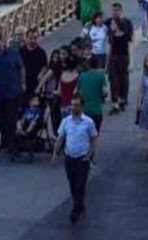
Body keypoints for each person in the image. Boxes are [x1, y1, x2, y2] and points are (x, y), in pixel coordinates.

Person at [53, 95, 99, 224]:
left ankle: (75, 210)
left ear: (82, 106)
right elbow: (61, 137)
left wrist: (90, 154)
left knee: (80, 184)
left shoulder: (88, 122)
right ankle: (79, 204)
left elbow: (94, 138)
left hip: (82, 158)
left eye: (76, 105)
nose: (73, 108)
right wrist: (55, 152)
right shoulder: (66, 121)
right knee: (72, 184)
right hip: (69, 157)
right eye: (72, 105)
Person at [105, 4, 134, 113]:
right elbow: (96, 23)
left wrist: (131, 62)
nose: (114, 13)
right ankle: (115, 102)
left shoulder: (127, 23)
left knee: (124, 80)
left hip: (124, 56)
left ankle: (122, 99)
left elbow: (131, 43)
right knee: (113, 80)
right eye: (113, 10)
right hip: (113, 56)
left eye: (117, 10)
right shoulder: (108, 23)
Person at [76, 59, 110, 132]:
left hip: (85, 110)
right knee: (94, 134)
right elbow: (105, 92)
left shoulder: (82, 76)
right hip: (96, 110)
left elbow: (76, 92)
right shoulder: (101, 76)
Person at [19, 28, 48, 102]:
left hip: (36, 86)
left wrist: (41, 73)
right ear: (26, 38)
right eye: (30, 38)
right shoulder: (21, 51)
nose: (33, 41)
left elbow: (45, 66)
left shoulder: (41, 52)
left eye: (35, 38)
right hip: (23, 85)